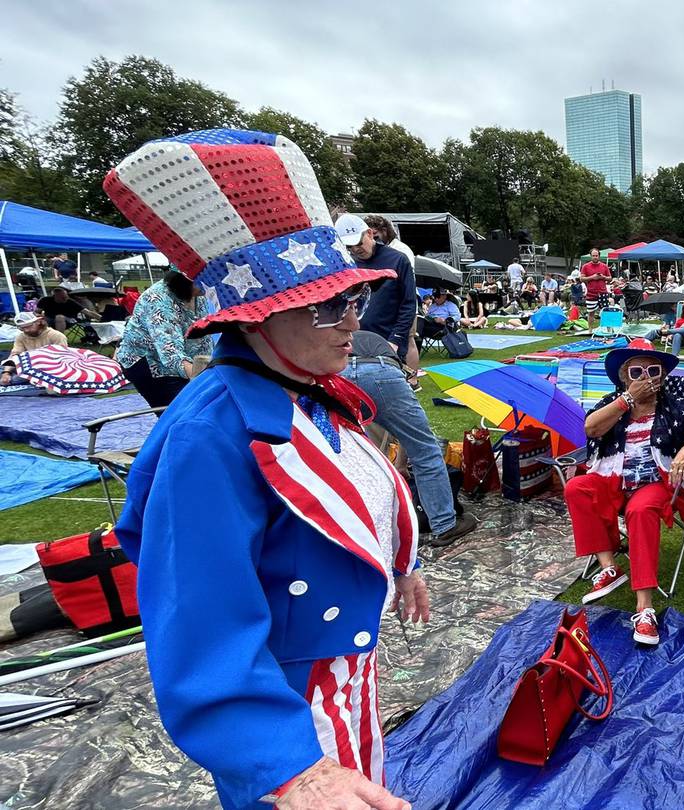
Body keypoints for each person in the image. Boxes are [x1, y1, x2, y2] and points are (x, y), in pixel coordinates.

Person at [106, 129, 426, 810]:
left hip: (346, 678)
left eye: (351, 299)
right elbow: (199, 620)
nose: (349, 320)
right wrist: (292, 769)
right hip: (285, 711)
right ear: (255, 319)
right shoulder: (208, 435)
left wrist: (402, 560)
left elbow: (355, 489)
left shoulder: (305, 387)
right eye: (326, 304)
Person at [564, 341, 684, 645]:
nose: (646, 377)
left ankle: (645, 609)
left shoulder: (674, 406)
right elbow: (591, 428)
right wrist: (626, 401)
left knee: (640, 510)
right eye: (637, 371)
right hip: (613, 482)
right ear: (625, 377)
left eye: (654, 370)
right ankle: (609, 567)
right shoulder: (613, 403)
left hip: (656, 483)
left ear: (662, 376)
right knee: (577, 487)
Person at [345, 330, 478, 545]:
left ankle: (357, 528)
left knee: (348, 453)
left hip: (338, 373)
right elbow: (409, 432)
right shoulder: (391, 349)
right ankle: (444, 525)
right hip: (381, 371)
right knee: (426, 450)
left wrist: (399, 465)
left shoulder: (345, 334)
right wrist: (403, 462)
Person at [113, 270, 210, 407]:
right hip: (148, 362)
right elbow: (170, 352)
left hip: (184, 360)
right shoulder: (158, 299)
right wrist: (204, 379)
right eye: (204, 281)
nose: (210, 284)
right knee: (178, 412)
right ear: (184, 280)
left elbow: (204, 337)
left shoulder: (199, 295)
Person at [338, 213, 416, 361]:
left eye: (359, 243)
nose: (355, 249)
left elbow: (408, 303)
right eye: (349, 246)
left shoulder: (398, 259)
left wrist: (395, 340)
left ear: (369, 234)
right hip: (354, 341)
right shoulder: (347, 263)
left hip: (388, 340)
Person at [0, 312, 68, 387]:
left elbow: (62, 360)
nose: (26, 330)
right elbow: (15, 356)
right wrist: (6, 373)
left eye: (28, 326)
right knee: (5, 376)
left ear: (38, 322)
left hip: (51, 370)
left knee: (15, 379)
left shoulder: (56, 336)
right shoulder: (21, 337)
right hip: (27, 369)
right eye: (22, 328)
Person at [579, 249, 611, 322]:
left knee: (606, 312)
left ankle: (608, 330)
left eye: (596, 256)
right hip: (591, 293)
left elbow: (610, 278)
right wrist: (592, 277)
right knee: (590, 313)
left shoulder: (604, 266)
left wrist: (603, 277)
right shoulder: (585, 266)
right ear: (591, 256)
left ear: (599, 256)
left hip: (603, 293)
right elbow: (581, 279)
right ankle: (590, 331)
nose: (595, 257)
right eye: (593, 256)